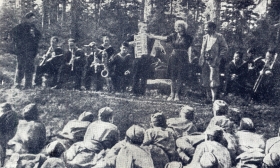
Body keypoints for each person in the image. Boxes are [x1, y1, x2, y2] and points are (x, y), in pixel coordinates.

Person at [149, 20, 193, 101]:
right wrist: (153, 36)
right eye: (176, 26)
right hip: (174, 57)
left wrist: (189, 58)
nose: (176, 28)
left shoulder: (188, 37)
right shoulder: (173, 36)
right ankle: (171, 94)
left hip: (183, 58)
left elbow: (189, 48)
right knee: (172, 76)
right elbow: (164, 38)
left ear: (183, 28)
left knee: (180, 76)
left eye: (179, 26)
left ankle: (177, 95)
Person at [199, 21, 228, 103]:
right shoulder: (205, 37)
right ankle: (208, 97)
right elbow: (203, 49)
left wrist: (219, 58)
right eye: (205, 27)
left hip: (214, 61)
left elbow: (225, 48)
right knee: (205, 79)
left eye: (207, 27)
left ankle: (213, 99)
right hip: (205, 60)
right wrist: (202, 58)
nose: (205, 29)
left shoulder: (219, 37)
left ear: (212, 28)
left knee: (213, 79)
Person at [11, 12, 41, 89]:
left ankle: (28, 84)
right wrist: (18, 43)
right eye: (32, 18)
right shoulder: (20, 26)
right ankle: (17, 83)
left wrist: (34, 36)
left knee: (30, 67)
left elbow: (38, 36)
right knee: (20, 66)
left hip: (31, 51)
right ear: (27, 19)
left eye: (34, 18)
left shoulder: (33, 27)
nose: (34, 20)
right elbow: (12, 34)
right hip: (22, 51)